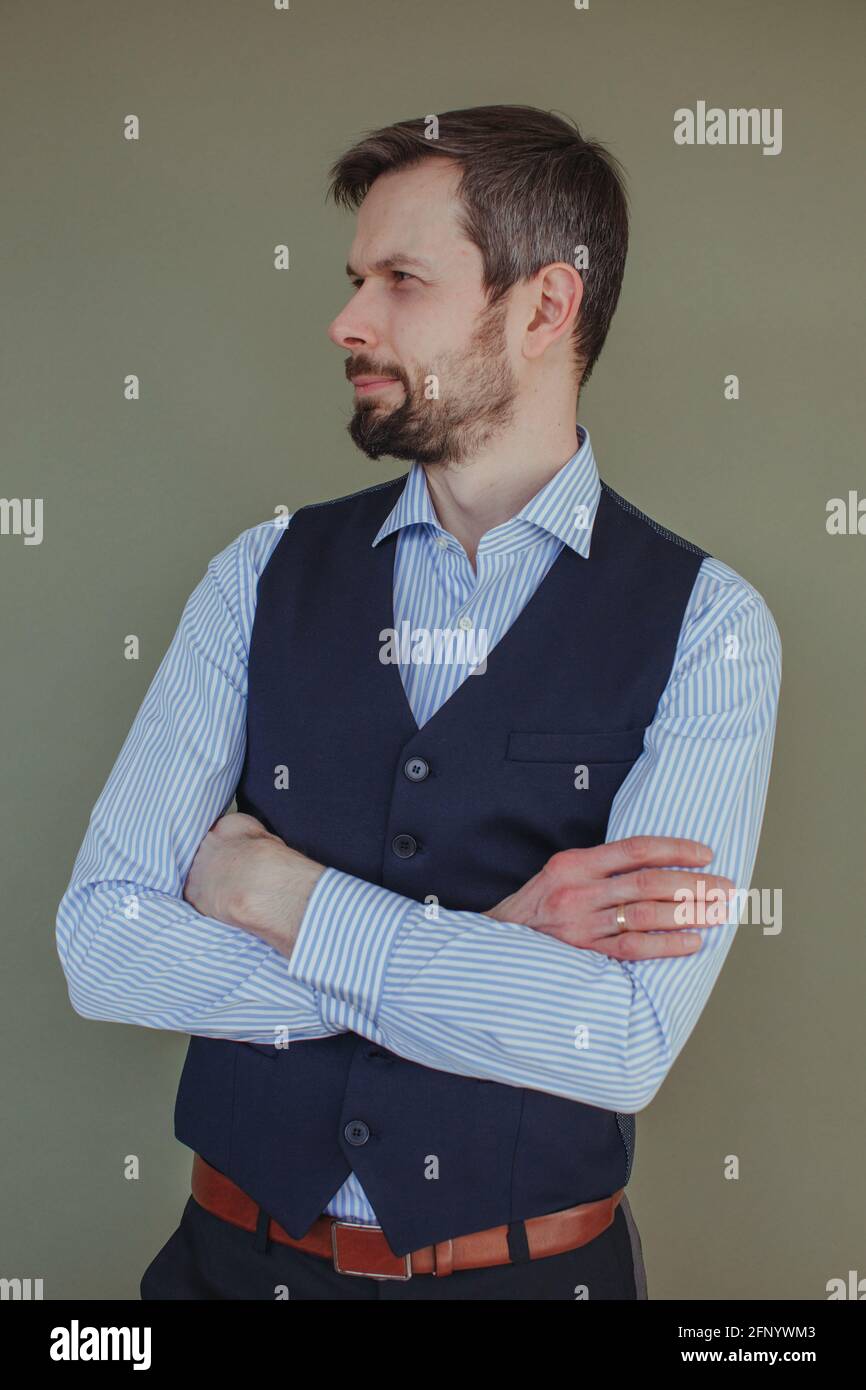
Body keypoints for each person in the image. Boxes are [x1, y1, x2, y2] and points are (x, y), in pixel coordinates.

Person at [55, 105, 781, 1300]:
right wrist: (491, 949)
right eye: (355, 279)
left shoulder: (710, 627)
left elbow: (620, 1042)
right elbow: (102, 949)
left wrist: (277, 895)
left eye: (402, 279)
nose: (346, 319)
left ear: (544, 307)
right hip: (226, 1272)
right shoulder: (258, 574)